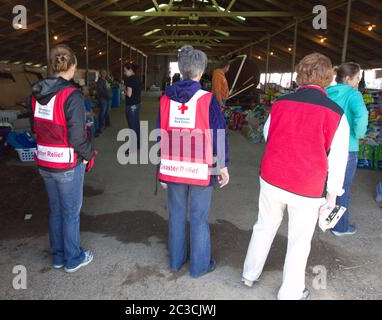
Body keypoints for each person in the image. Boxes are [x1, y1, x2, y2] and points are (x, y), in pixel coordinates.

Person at [241, 53, 350, 300]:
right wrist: (332, 196)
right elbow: (338, 159)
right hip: (306, 186)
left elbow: (269, 135)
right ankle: (290, 292)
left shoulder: (280, 103)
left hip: (272, 178)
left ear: (300, 75)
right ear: (328, 78)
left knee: (264, 225)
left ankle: (249, 274)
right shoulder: (335, 114)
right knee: (299, 240)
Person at [157, 45, 230, 278]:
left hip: (173, 165)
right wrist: (222, 166)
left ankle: (176, 261)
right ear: (201, 71)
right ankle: (199, 267)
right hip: (202, 168)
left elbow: (161, 133)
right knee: (198, 219)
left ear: (181, 69)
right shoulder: (208, 100)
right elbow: (219, 134)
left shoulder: (164, 99)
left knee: (176, 215)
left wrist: (161, 165)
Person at [31, 44, 96, 273]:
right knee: (70, 213)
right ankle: (73, 259)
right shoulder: (72, 95)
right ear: (73, 66)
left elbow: (34, 127)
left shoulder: (37, 93)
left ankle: (58, 256)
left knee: (56, 210)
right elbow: (77, 137)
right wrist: (89, 155)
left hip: (45, 160)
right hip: (67, 163)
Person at [326, 63, 369, 236]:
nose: (359, 81)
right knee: (342, 187)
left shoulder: (327, 92)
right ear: (347, 78)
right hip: (347, 149)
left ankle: (325, 218)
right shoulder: (353, 94)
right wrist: (358, 134)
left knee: (327, 184)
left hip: (326, 145)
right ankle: (339, 227)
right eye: (357, 78)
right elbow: (362, 115)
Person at [124, 63, 142, 153]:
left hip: (131, 106)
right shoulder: (137, 78)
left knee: (132, 127)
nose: (124, 73)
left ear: (130, 70)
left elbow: (129, 94)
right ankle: (138, 146)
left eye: (125, 71)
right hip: (137, 104)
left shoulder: (129, 79)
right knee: (136, 126)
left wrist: (124, 89)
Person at [96, 69, 111, 133]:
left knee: (107, 111)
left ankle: (107, 123)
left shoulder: (106, 80)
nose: (105, 74)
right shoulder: (100, 81)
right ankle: (101, 126)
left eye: (105, 73)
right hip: (103, 99)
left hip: (107, 99)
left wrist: (110, 94)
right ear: (100, 74)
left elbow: (108, 88)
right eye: (103, 73)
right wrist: (107, 95)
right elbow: (100, 91)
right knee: (102, 112)